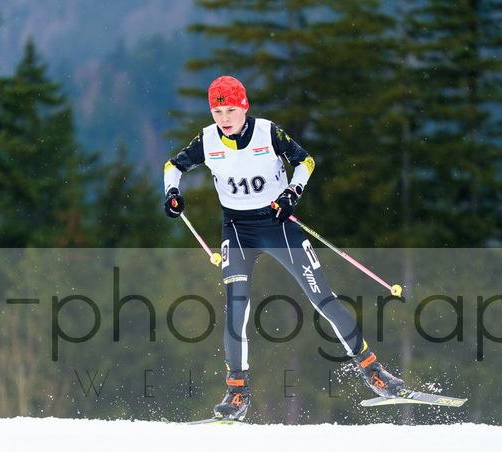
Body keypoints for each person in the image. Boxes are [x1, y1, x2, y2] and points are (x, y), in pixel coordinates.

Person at [163, 75, 404, 421]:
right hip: (237, 229)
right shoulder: (207, 139)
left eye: (231, 109)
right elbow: (174, 165)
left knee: (322, 297)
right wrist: (172, 193)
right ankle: (237, 393)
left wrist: (292, 193)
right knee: (236, 307)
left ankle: (374, 373)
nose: (224, 118)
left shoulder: (268, 133)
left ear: (243, 107)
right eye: (218, 111)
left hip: (278, 225)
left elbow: (305, 161)